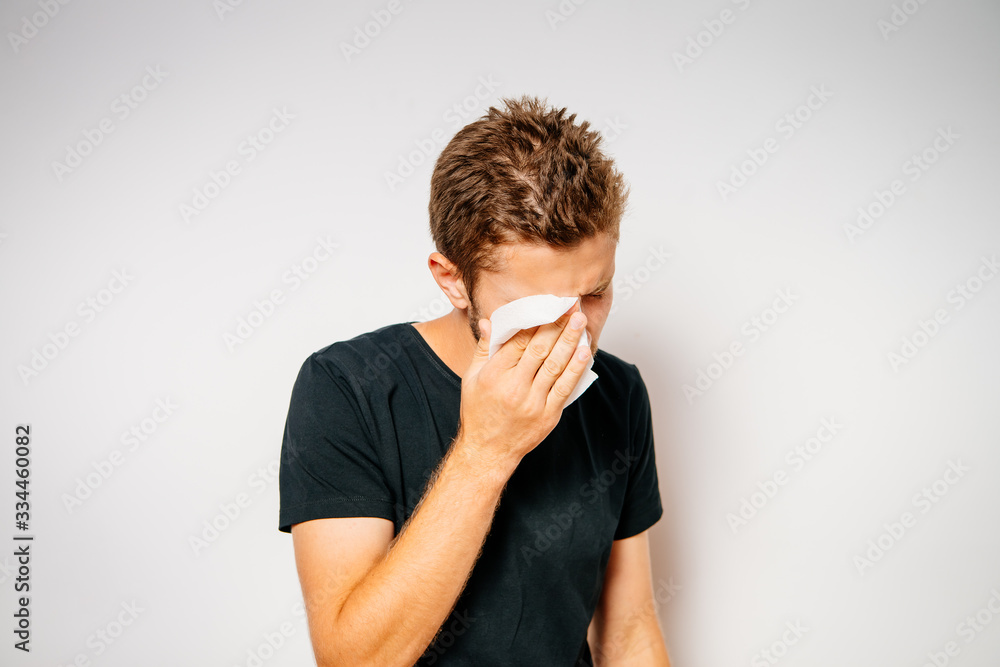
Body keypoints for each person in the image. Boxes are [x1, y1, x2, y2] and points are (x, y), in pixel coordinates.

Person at [278, 95, 670, 666]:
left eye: (595, 292)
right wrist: (486, 451)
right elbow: (353, 660)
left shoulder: (618, 391)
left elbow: (629, 632)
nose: (576, 331)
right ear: (453, 281)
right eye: (541, 307)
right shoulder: (346, 388)